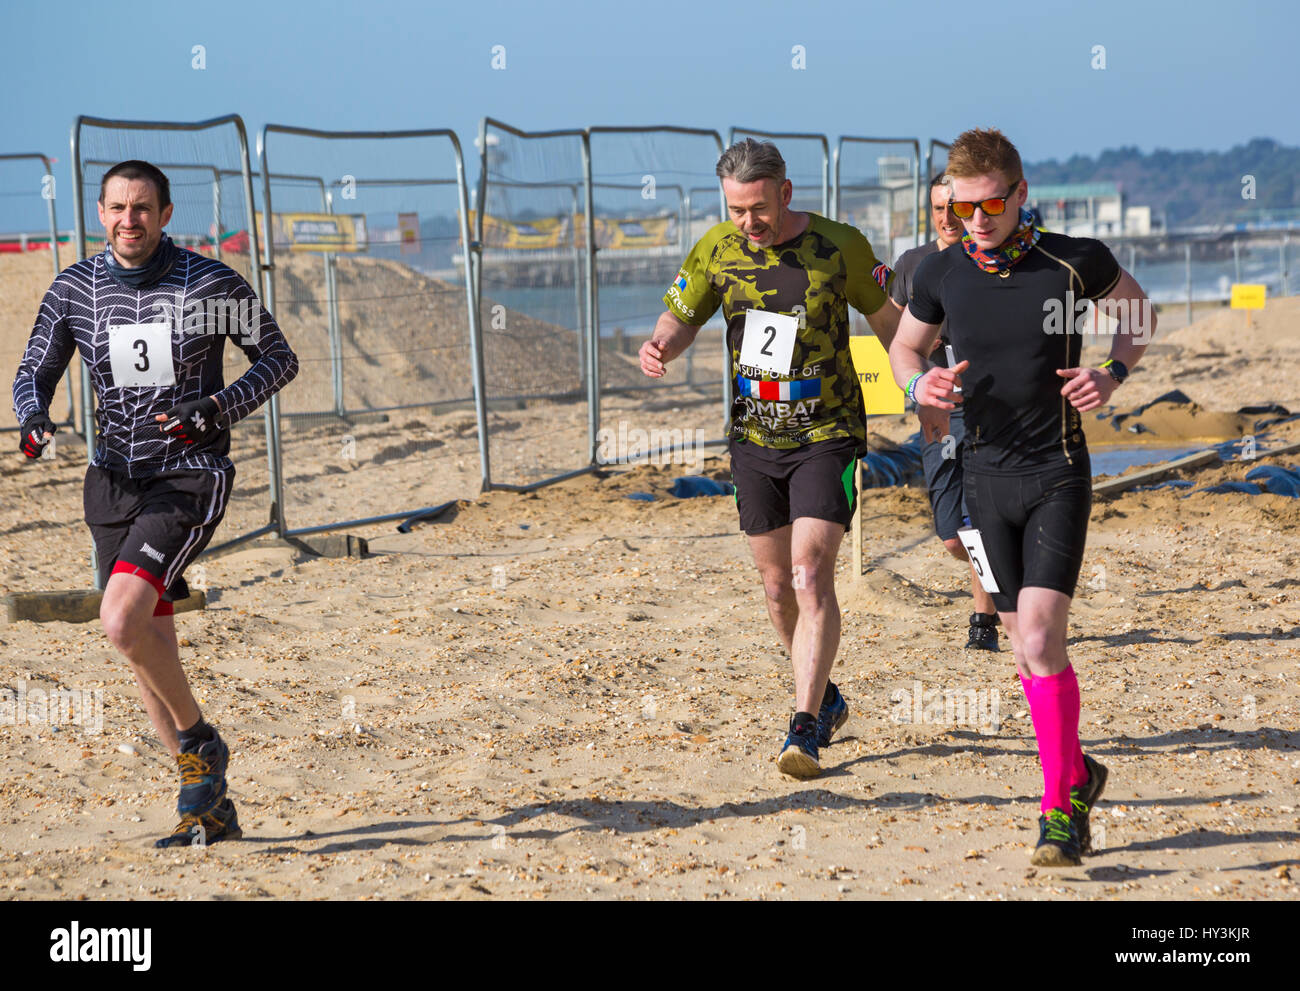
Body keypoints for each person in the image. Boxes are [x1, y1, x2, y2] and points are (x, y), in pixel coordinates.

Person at [13, 160, 299, 847]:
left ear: (167, 214)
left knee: (119, 622)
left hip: (188, 476)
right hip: (111, 482)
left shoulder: (208, 283)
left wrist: (216, 407)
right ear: (100, 214)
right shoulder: (74, 289)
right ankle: (206, 806)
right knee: (147, 639)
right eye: (117, 208)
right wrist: (33, 418)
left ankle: (200, 739)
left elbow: (278, 359)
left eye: (142, 208)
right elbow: (33, 371)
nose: (128, 221)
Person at [889, 128, 1153, 868]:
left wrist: (1111, 374)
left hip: (1057, 470)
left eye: (993, 203)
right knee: (1022, 646)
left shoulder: (1074, 261)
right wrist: (919, 383)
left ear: (1021, 194)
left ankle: (1058, 811)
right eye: (964, 205)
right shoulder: (940, 273)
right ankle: (1078, 769)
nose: (978, 219)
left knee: (1041, 638)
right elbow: (905, 348)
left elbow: (1139, 317)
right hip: (982, 479)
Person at [641, 138, 900, 778]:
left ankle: (804, 727)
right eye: (737, 211)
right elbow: (681, 315)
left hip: (827, 434)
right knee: (777, 588)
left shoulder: (840, 246)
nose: (749, 223)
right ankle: (829, 699)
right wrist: (658, 347)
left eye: (758, 208)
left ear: (785, 193)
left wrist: (920, 388)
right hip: (754, 442)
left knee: (811, 575)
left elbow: (891, 322)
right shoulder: (715, 249)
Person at [890, 174, 1000, 651]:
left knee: (978, 521)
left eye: (955, 206)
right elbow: (890, 329)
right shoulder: (914, 264)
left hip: (988, 402)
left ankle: (984, 622)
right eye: (938, 208)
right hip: (936, 408)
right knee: (952, 534)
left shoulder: (989, 259)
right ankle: (998, 566)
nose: (947, 217)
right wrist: (913, 346)